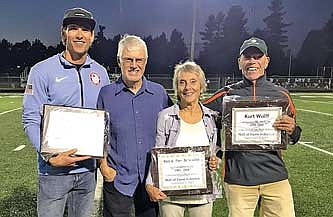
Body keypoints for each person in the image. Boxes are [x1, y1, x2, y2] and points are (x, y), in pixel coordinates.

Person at [22, 8, 110, 217]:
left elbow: (105, 120)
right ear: (64, 34)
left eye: (85, 30)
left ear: (92, 36)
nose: (80, 34)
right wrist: (49, 156)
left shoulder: (101, 73)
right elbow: (31, 118)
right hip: (54, 172)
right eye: (74, 28)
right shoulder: (42, 70)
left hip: (88, 172)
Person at [204, 37, 302, 217]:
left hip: (275, 178)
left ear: (266, 61)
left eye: (257, 57)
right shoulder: (227, 94)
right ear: (239, 62)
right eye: (247, 57)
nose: (252, 62)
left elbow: (295, 135)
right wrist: (215, 151)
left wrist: (292, 128)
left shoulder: (281, 95)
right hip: (239, 180)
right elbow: (197, 115)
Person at [97, 34, 173, 217]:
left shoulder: (159, 93)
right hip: (118, 179)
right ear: (119, 61)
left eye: (139, 60)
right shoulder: (106, 94)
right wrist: (104, 168)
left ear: (145, 62)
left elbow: (176, 126)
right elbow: (98, 135)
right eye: (128, 59)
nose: (134, 65)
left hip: (151, 180)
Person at [145, 61, 221, 217]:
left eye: (193, 82)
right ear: (177, 88)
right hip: (171, 195)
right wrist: (149, 184)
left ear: (201, 86)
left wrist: (215, 161)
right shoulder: (165, 116)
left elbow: (216, 152)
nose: (188, 87)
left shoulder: (211, 117)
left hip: (202, 195)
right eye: (182, 82)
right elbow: (157, 155)